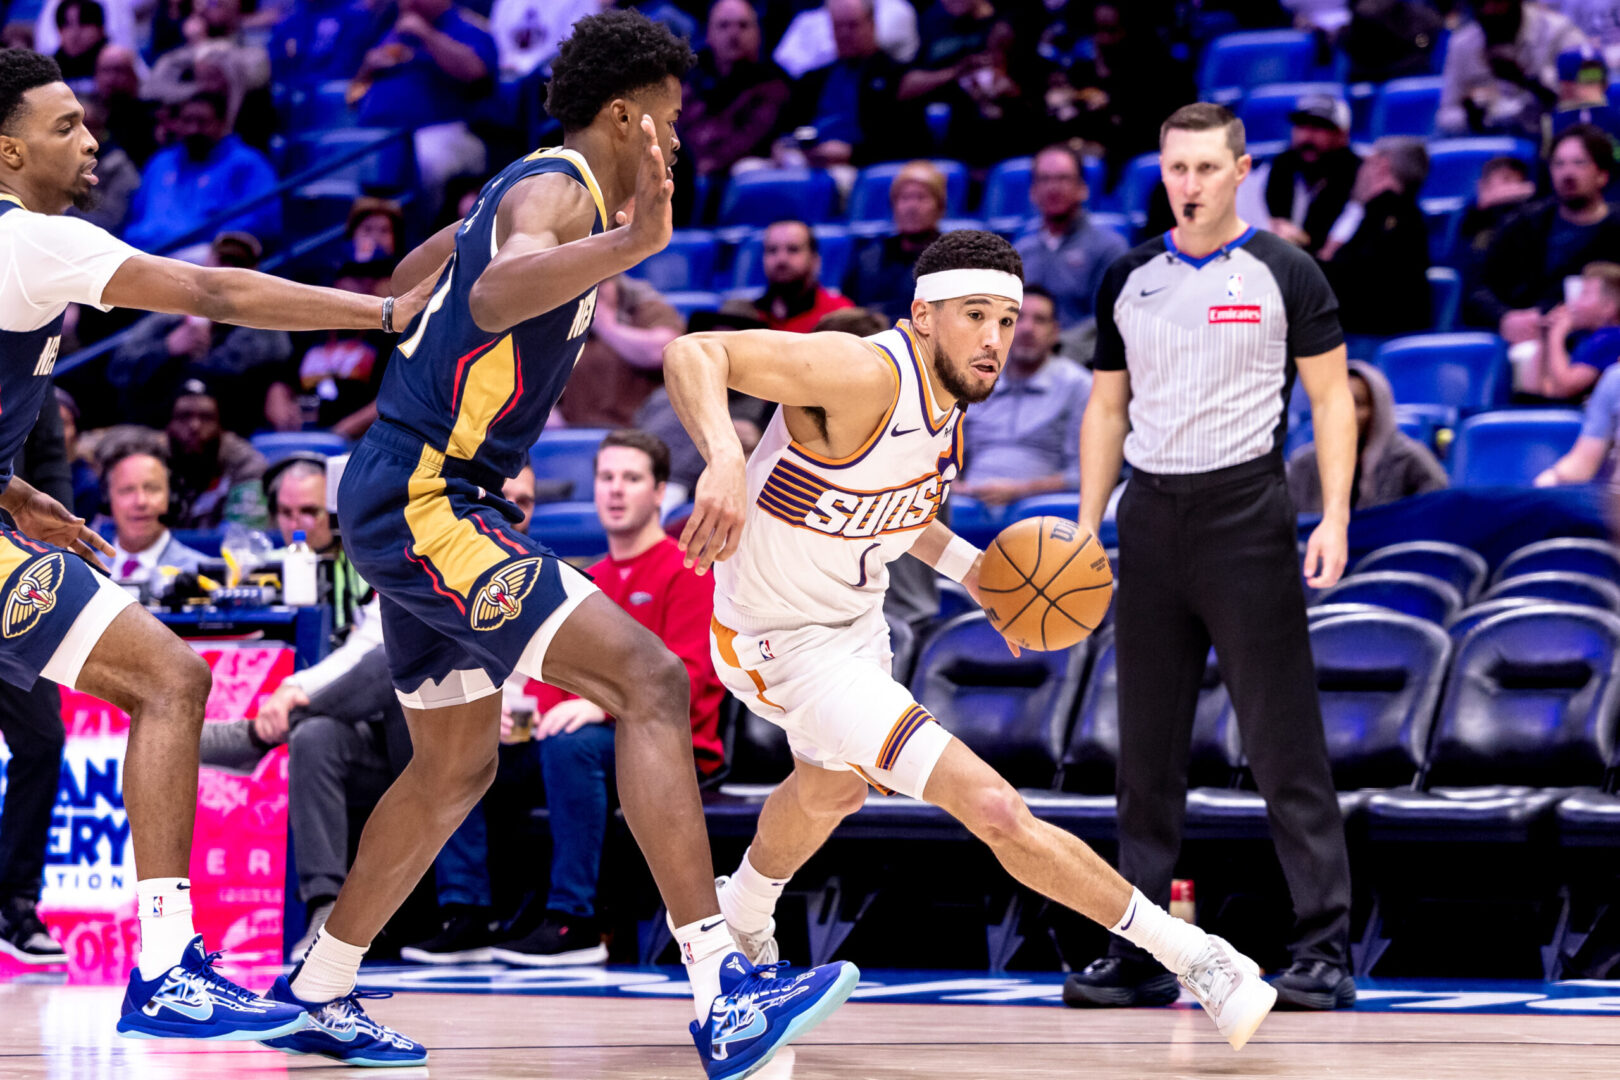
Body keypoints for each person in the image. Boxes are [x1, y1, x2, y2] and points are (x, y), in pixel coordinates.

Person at [269, 13, 858, 1074]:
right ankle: (723, 987)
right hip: (429, 496)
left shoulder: (522, 189)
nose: (678, 145)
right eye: (670, 122)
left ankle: (320, 986)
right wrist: (629, 245)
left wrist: (411, 298)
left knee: (454, 766)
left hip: (425, 492)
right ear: (625, 115)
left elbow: (447, 266)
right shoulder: (562, 193)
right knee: (650, 682)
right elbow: (494, 292)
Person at [664, 228, 1277, 1050]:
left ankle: (742, 912)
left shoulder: (948, 410)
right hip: (777, 641)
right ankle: (1198, 957)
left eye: (1007, 319)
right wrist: (725, 460)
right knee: (993, 806)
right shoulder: (864, 374)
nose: (994, 338)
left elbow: (901, 505)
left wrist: (979, 575)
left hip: (853, 626)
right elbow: (695, 354)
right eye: (974, 314)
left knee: (832, 791)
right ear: (923, 314)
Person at [0, 46, 435, 1045]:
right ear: (7, 151)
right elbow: (217, 294)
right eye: (63, 125)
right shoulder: (33, 241)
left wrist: (16, 491)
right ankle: (166, 969)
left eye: (84, 118)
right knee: (171, 682)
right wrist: (382, 312)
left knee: (162, 685)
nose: (90, 136)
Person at [1073, 103, 1358, 1012]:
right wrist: (1087, 522)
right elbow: (1106, 410)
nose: (1187, 185)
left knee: (1283, 745)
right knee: (1143, 756)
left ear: (1241, 171)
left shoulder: (1285, 270)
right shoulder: (1128, 275)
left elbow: (1332, 401)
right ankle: (1144, 949)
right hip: (1150, 518)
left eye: (1204, 168)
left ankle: (1322, 949)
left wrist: (1336, 516)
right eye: (1174, 170)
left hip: (1248, 511)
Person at [407, 433, 727, 965]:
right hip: (577, 736)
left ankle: (575, 921)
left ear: (660, 493)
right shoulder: (586, 578)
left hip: (670, 744)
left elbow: (692, 678)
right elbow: (546, 677)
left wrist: (603, 706)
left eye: (631, 478)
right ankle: (465, 913)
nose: (616, 491)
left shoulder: (685, 569)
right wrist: (514, 712)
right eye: (606, 478)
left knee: (572, 745)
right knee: (464, 747)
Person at [0, 399, 75, 966]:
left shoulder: (28, 341)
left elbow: (49, 457)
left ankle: (16, 902)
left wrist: (57, 541)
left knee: (42, 739)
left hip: (16, 570)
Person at [109, 232, 292, 431]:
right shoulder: (167, 317)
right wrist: (167, 348)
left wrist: (278, 384)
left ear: (254, 272)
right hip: (155, 430)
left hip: (229, 435)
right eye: (223, 261)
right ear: (207, 263)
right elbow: (118, 370)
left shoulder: (264, 328)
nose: (228, 271)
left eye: (239, 264)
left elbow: (269, 370)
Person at [1466, 125, 1620, 337]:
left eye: (1579, 163)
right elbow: (1478, 289)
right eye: (1559, 164)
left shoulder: (1617, 229)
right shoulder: (1521, 225)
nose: (1568, 173)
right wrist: (1504, 317)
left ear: (1602, 175)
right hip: (1526, 335)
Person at [351, 0, 498, 207]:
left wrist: (426, 34)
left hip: (444, 129)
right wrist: (367, 68)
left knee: (424, 158)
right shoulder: (394, 32)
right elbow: (352, 98)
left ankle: (420, 233)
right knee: (346, 157)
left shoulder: (465, 27)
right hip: (384, 135)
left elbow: (477, 71)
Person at [954, 284, 1089, 506]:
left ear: (1055, 332)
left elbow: (1083, 474)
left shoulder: (1078, 386)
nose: (1027, 329)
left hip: (1043, 507)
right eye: (1017, 319)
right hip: (969, 502)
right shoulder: (971, 379)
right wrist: (954, 486)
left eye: (1040, 320)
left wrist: (1021, 491)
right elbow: (944, 459)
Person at [120, 91, 280, 254]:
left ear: (222, 123)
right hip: (145, 250)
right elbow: (137, 214)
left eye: (202, 122)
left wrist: (220, 240)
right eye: (187, 121)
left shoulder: (247, 163)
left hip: (205, 255)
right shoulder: (161, 162)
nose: (193, 129)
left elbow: (262, 220)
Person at [1288, 360, 1448, 512]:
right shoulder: (1303, 464)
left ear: (1378, 410)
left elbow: (1436, 514)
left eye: (1358, 403)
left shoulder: (1410, 458)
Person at [1318, 136, 1433, 336]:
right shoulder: (1402, 216)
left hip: (1369, 339)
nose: (1359, 172)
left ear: (1381, 165)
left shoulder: (1390, 221)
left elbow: (1354, 283)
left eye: (1366, 164)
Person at [1013, 144, 1129, 329]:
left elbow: (1107, 320)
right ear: (1033, 191)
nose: (1053, 187)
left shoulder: (1109, 248)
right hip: (1026, 355)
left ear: (1083, 188)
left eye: (1063, 178)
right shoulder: (1021, 251)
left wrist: (1056, 349)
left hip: (1082, 356)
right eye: (1044, 179)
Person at [1437, 0, 1589, 137]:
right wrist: (1471, 116)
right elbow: (1446, 116)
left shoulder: (1558, 31)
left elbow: (1588, 92)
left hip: (1549, 134)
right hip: (1491, 140)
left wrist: (1528, 79)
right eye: (1482, 4)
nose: (1489, 10)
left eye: (1497, 2)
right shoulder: (1462, 43)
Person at [555, 272, 685, 429]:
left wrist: (607, 327)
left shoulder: (643, 304)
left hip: (640, 432)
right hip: (573, 432)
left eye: (598, 287)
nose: (591, 296)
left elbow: (663, 351)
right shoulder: (556, 316)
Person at [682, 0, 792, 182]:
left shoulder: (773, 84)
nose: (733, 34)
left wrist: (707, 162)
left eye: (743, 26)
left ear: (758, 33)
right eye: (723, 26)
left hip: (741, 176)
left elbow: (748, 139)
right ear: (709, 34)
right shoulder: (691, 80)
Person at [1259, 96, 1361, 257]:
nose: (1307, 136)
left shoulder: (1358, 176)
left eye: (1318, 128)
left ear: (1342, 135)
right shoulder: (1279, 167)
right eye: (1301, 126)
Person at [844, 160, 945, 323]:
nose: (912, 207)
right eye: (904, 198)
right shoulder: (866, 258)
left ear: (940, 207)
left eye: (921, 197)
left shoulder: (952, 258)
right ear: (893, 206)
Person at [164, 378, 270, 528]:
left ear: (220, 425)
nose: (195, 426)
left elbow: (246, 532)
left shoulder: (244, 462)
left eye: (206, 417)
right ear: (169, 425)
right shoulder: (151, 461)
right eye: (184, 416)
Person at [99, 439, 208, 585]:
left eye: (152, 488)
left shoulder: (203, 576)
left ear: (172, 497)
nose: (140, 502)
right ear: (107, 499)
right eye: (127, 490)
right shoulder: (83, 575)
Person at [1522, 260, 1620, 399]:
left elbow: (1564, 389)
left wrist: (1557, 334)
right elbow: (1543, 389)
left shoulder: (1612, 338)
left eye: (1584, 294)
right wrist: (1545, 337)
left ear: (1608, 307)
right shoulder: (1585, 338)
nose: (1574, 303)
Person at [751, 220, 855, 332]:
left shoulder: (839, 314)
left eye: (793, 249)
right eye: (772, 250)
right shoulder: (746, 317)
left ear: (815, 259)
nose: (781, 259)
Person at [1536, 356, 1620, 484]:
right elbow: (1581, 464)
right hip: (1613, 496)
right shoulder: (1615, 379)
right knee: (1506, 498)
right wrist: (1551, 478)